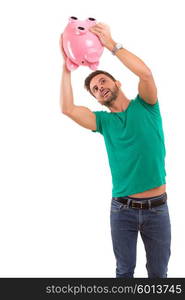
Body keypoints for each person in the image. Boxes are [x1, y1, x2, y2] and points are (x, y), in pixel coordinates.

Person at [59, 23, 171, 278]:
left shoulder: (146, 105)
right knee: (124, 273)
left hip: (158, 210)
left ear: (116, 82)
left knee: (158, 274)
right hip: (123, 211)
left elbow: (146, 74)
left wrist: (111, 45)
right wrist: (67, 66)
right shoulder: (103, 122)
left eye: (103, 81)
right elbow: (67, 109)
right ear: (97, 99)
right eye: (95, 89)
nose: (100, 88)